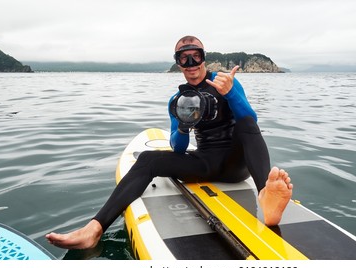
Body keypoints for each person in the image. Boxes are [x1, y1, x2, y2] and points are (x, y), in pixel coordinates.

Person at [45, 35, 293, 250]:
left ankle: (266, 195)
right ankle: (94, 229)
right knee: (148, 159)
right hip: (204, 164)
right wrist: (183, 126)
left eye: (196, 56)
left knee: (247, 123)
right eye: (184, 58)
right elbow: (178, 148)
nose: (191, 64)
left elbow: (250, 120)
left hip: (236, 164)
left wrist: (230, 94)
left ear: (204, 58)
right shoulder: (177, 99)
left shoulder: (225, 82)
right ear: (177, 62)